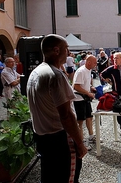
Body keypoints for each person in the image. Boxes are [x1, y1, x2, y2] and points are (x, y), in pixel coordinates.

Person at [26, 34, 87, 182]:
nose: (69, 53)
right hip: (60, 139)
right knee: (68, 178)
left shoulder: (36, 72)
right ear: (56, 50)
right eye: (66, 49)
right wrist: (80, 143)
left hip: (43, 138)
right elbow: (66, 115)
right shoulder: (55, 76)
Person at [100, 52, 121, 135]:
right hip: (116, 93)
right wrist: (109, 81)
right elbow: (101, 75)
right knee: (118, 112)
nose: (115, 60)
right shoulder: (111, 69)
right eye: (114, 58)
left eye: (117, 58)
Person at [72, 55, 98, 150]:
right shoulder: (81, 71)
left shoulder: (89, 70)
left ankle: (91, 136)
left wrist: (91, 87)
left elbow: (85, 83)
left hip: (85, 97)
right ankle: (81, 142)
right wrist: (88, 92)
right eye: (95, 62)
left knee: (89, 117)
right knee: (80, 121)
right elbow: (76, 86)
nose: (96, 64)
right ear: (89, 62)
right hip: (78, 98)